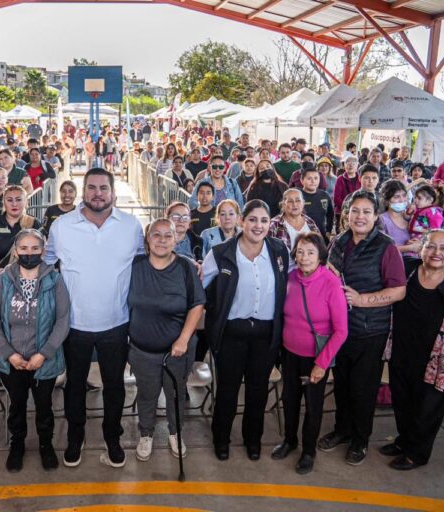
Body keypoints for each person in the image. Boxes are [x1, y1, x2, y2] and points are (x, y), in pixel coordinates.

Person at [43, 168, 144, 468]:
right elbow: (46, 265)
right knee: (74, 386)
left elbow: (143, 264)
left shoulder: (131, 226)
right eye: (91, 188)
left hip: (116, 323)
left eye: (103, 187)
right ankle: (76, 438)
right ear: (83, 191)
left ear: (113, 192)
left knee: (115, 386)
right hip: (74, 325)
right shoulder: (61, 226)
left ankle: (113, 438)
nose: (97, 193)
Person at [319, 190, 406, 465]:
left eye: (366, 211)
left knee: (363, 387)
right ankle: (342, 430)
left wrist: (362, 300)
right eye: (355, 210)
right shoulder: (338, 241)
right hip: (341, 329)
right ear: (346, 213)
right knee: (342, 385)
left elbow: (399, 291)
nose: (360, 216)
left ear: (375, 215)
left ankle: (360, 438)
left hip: (371, 330)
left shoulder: (386, 246)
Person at [385, 229, 444, 470]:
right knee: (402, 402)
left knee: (427, 410)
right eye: (431, 246)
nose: (436, 253)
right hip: (402, 352)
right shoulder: (406, 271)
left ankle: (417, 453)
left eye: (443, 248)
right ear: (422, 248)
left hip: (438, 362)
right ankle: (404, 440)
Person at [202, 199, 290, 462]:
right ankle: (221, 439)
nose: (258, 225)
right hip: (232, 333)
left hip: (265, 334)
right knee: (227, 390)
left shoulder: (279, 250)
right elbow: (202, 288)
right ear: (241, 221)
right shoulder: (221, 253)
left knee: (257, 390)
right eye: (253, 219)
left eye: (264, 220)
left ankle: (253, 440)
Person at [0, 229, 70, 472]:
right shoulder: (3, 279)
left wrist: (44, 353)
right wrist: (8, 353)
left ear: (43, 251)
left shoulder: (54, 280)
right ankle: (17, 444)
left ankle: (46, 444)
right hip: (12, 360)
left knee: (44, 406)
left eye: (35, 248)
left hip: (44, 360)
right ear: (16, 251)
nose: (29, 253)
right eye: (24, 248)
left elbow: (63, 319)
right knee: (17, 405)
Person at [128, 218, 205, 462]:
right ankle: (146, 433)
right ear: (147, 240)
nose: (162, 240)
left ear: (176, 239)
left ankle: (175, 432)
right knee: (147, 393)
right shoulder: (135, 265)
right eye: (156, 235)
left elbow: (197, 304)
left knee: (175, 393)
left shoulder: (185, 267)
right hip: (142, 348)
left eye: (167, 236)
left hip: (177, 350)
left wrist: (183, 339)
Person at [274, 232, 348, 474]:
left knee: (313, 405)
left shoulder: (330, 282)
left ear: (321, 256)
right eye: (300, 252)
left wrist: (321, 364)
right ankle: (289, 440)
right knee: (289, 400)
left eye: (310, 252)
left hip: (316, 357)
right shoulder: (290, 278)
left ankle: (308, 451)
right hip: (289, 354)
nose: (304, 257)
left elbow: (341, 331)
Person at [0, 185, 40, 277]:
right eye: (9, 200)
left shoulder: (34, 223)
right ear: (4, 202)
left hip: (27, 279)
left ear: (26, 202)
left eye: (18, 199)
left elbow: (42, 253)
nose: (14, 204)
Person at [268, 188, 320, 271]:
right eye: (290, 201)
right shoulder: (274, 225)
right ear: (283, 205)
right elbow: (268, 254)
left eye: (298, 200)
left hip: (310, 273)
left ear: (303, 203)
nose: (295, 204)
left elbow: (320, 248)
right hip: (284, 273)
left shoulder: (310, 223)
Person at [299, 165, 334, 241]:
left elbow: (330, 215)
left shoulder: (324, 195)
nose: (313, 181)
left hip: (321, 236)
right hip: (302, 237)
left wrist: (328, 231)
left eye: (316, 178)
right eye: (309, 178)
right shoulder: (297, 196)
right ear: (302, 180)